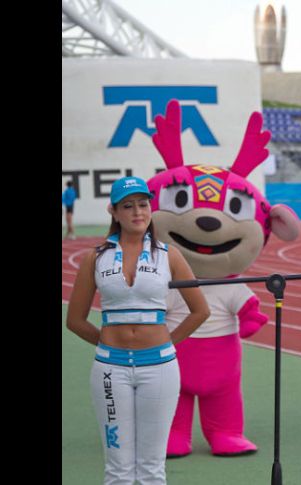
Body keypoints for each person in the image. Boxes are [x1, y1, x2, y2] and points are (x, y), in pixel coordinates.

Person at [66, 176, 210, 485]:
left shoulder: (169, 255)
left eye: (143, 205)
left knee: (152, 468)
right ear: (114, 212)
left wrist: (166, 342)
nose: (137, 212)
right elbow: (75, 319)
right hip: (110, 369)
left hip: (159, 367)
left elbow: (200, 310)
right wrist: (107, 343)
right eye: (128, 206)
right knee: (117, 469)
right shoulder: (95, 257)